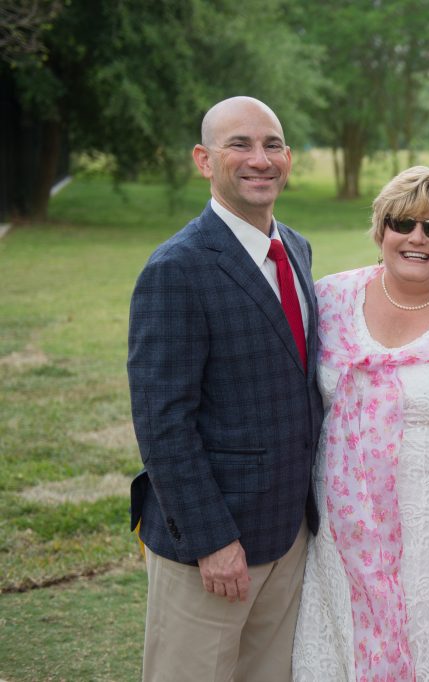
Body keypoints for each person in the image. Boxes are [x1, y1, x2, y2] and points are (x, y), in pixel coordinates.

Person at [291, 165, 429, 681]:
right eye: (403, 222)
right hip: (344, 530)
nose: (418, 237)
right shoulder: (329, 300)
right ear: (380, 230)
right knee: (341, 647)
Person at [127, 96, 322, 681]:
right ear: (204, 160)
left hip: (288, 533)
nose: (259, 159)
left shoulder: (296, 249)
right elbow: (163, 421)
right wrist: (212, 541)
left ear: (288, 157)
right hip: (214, 546)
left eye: (271, 144)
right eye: (239, 144)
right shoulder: (176, 269)